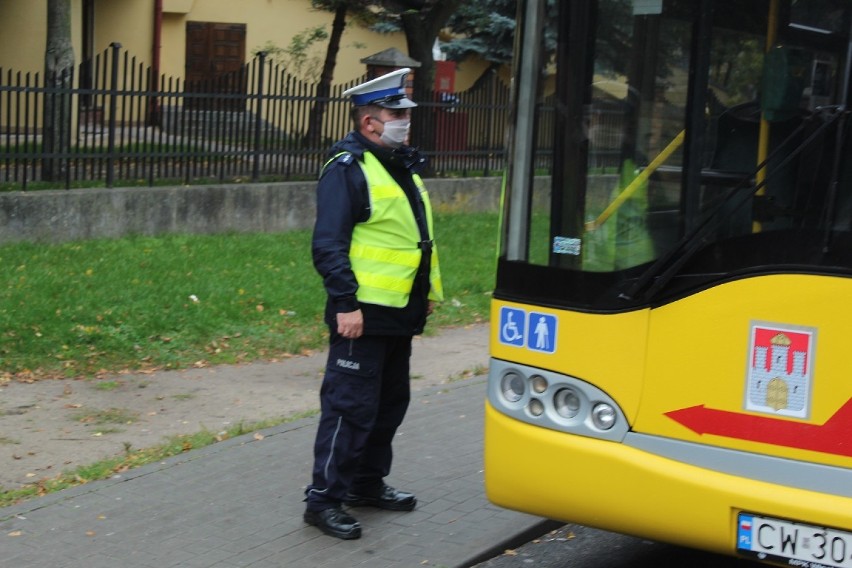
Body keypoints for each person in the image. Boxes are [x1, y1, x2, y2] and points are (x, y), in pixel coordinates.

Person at [303, 67, 444, 540]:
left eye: (406, 111)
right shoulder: (348, 168)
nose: (406, 119)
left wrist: (424, 297)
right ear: (369, 122)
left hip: (396, 313)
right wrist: (345, 303)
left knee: (388, 405)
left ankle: (366, 483)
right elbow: (328, 244)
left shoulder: (398, 165)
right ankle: (323, 501)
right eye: (396, 112)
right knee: (349, 408)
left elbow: (414, 239)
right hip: (359, 314)